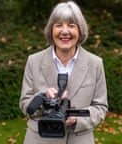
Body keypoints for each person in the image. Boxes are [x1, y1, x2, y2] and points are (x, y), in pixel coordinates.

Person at [19, 1, 108, 144]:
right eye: (59, 25)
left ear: (80, 31)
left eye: (71, 25)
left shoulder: (95, 63)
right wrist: (42, 99)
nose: (65, 31)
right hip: (40, 139)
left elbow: (100, 107)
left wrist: (77, 120)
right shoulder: (34, 61)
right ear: (51, 30)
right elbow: (25, 103)